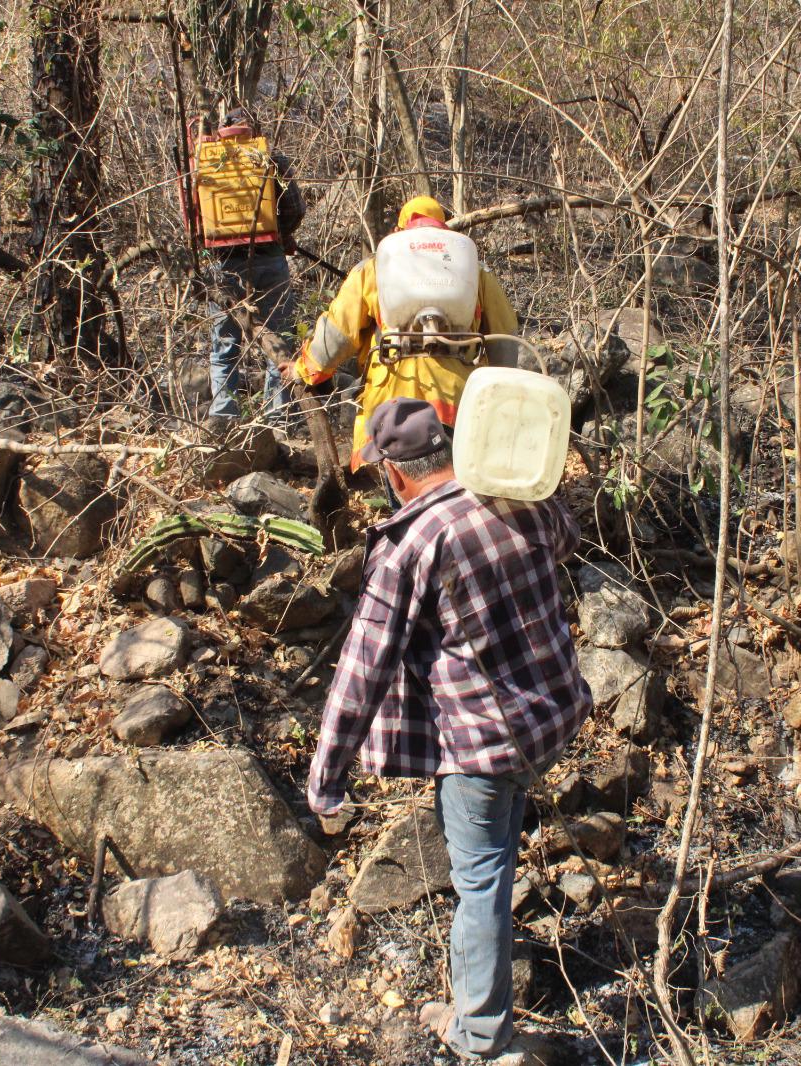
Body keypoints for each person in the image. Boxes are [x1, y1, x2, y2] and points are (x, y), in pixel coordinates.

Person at [305, 398, 591, 1061]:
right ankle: (473, 1006)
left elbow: (360, 672)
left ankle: (481, 1037)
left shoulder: (413, 543)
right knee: (494, 856)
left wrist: (326, 778)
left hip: (484, 746)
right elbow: (568, 538)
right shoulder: (521, 496)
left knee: (481, 882)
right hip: (550, 721)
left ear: (395, 474)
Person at [280, 195, 521, 471]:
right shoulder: (475, 272)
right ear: (443, 228)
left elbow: (335, 336)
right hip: (457, 402)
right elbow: (505, 340)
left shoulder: (374, 267)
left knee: (401, 486)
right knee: (453, 486)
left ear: (400, 229)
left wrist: (304, 370)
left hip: (391, 404)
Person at [192, 107, 305, 425]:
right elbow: (295, 207)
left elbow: (193, 218)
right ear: (254, 130)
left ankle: (223, 419)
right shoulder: (269, 158)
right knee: (280, 341)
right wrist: (282, 235)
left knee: (224, 346)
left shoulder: (204, 160)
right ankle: (278, 421)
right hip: (269, 260)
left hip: (223, 266)